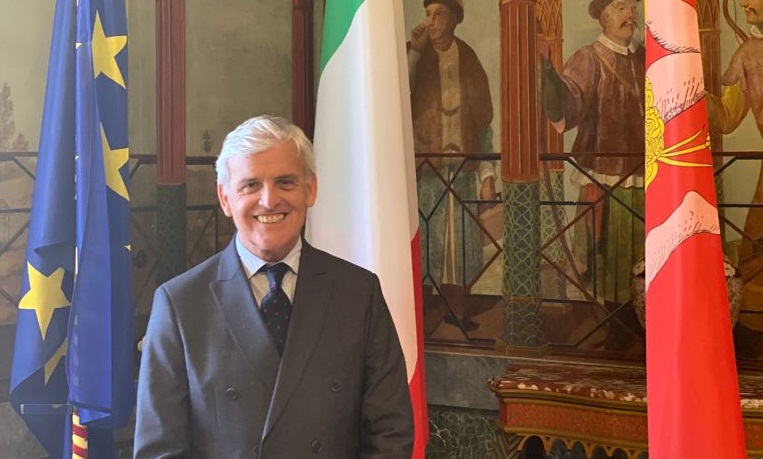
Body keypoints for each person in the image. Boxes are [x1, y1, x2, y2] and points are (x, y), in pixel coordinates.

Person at [133, 115, 414, 458]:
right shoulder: (180, 304)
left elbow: (390, 433)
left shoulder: (358, 293)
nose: (269, 200)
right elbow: (159, 450)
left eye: (285, 182)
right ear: (225, 198)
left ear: (311, 189)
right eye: (251, 185)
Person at [541, 0, 645, 308]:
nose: (630, 15)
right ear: (602, 15)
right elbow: (567, 103)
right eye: (620, 7)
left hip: (648, 177)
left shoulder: (645, 57)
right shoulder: (589, 59)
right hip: (604, 179)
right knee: (605, 259)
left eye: (633, 7)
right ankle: (612, 319)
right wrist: (547, 77)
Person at [408, 0, 495, 330]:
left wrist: (487, 175)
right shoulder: (414, 55)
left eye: (439, 14)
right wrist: (415, 53)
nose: (430, 21)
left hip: (462, 171)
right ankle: (416, 318)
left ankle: (456, 311)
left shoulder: (468, 59)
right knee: (424, 243)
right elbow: (396, 96)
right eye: (427, 14)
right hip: (424, 173)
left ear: (455, 19)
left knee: (459, 247)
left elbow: (483, 124)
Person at [707, 0, 763, 336]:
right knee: (755, 256)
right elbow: (726, 118)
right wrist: (693, 91)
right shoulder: (747, 53)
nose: (744, 2)